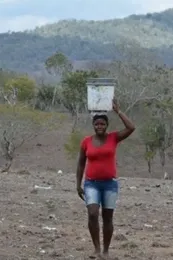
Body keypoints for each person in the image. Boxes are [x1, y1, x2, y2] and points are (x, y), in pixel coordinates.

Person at [76, 98, 135, 259]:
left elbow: (131, 127)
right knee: (93, 213)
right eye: (97, 124)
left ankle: (106, 251)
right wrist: (78, 184)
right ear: (93, 126)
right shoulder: (86, 141)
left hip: (110, 184)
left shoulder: (113, 138)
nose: (99, 126)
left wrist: (118, 111)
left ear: (106, 125)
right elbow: (81, 163)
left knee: (107, 217)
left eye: (102, 124)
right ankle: (96, 248)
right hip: (91, 184)